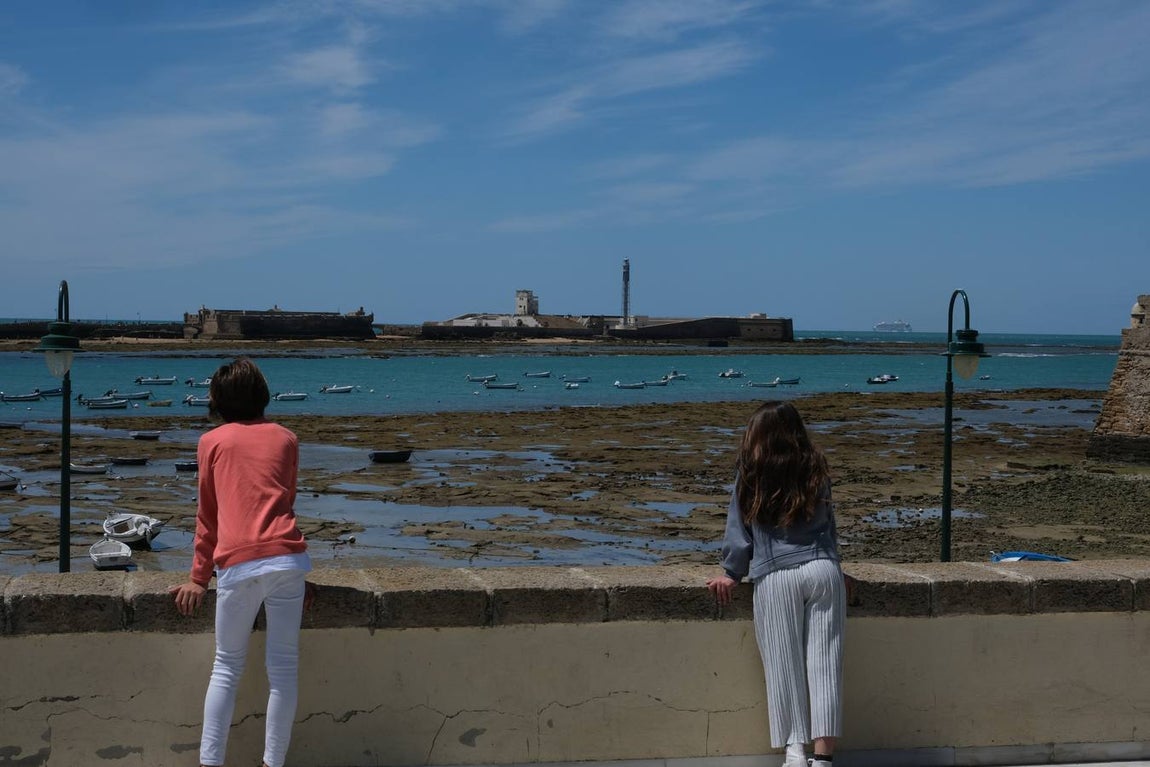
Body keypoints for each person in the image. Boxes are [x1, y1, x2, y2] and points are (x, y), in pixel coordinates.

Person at [170, 358, 313, 767]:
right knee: (283, 670)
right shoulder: (286, 438)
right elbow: (284, 503)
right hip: (289, 560)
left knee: (227, 667)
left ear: (218, 401)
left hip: (239, 564)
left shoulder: (211, 443)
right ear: (261, 396)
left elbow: (207, 516)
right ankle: (272, 763)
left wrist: (198, 578)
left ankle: (211, 763)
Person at [707, 401, 845, 767]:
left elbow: (739, 532)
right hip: (822, 569)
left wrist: (731, 573)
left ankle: (795, 753)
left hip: (777, 574)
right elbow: (829, 524)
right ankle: (824, 758)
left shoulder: (751, 473)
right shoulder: (815, 468)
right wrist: (836, 565)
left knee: (784, 666)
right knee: (825, 666)